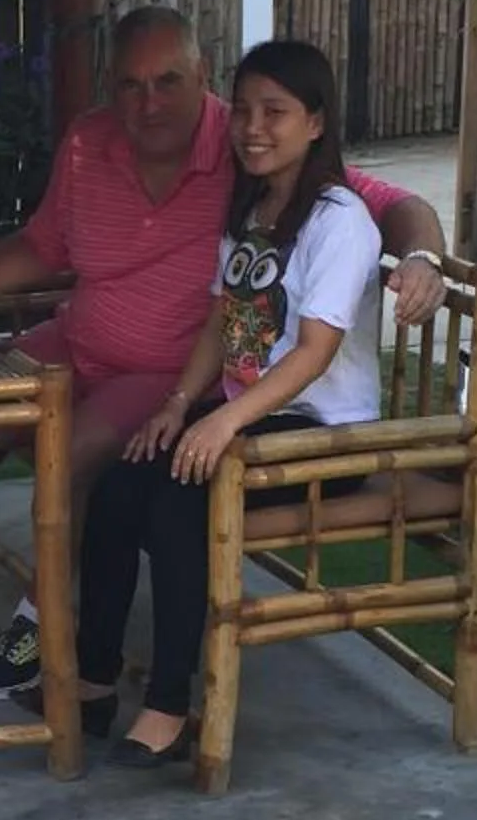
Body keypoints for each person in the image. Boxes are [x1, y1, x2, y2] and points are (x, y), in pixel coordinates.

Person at [0, 7, 449, 697]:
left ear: (201, 77)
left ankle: (42, 616)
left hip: (167, 370)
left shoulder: (251, 145)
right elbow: (44, 246)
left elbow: (388, 201)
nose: (148, 102)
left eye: (168, 81)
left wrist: (424, 256)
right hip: (77, 341)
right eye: (130, 85)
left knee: (72, 452)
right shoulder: (91, 141)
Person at [62, 38, 382, 766]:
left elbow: (313, 352)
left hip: (325, 438)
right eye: (240, 111)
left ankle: (173, 704)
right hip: (250, 422)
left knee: (178, 499)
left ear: (317, 123)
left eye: (276, 112)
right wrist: (180, 404)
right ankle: (93, 678)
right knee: (116, 485)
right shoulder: (255, 206)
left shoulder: (340, 221)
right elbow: (221, 317)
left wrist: (224, 421)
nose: (252, 128)